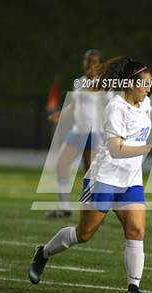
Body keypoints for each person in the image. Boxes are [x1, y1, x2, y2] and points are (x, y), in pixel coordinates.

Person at [28, 57, 152, 293]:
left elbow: (150, 109)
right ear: (130, 84)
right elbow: (116, 150)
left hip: (131, 180)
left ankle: (133, 289)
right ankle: (43, 253)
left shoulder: (143, 101)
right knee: (84, 234)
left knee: (136, 230)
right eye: (145, 83)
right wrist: (151, 147)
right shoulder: (115, 107)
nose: (150, 88)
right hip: (104, 178)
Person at [47, 49, 105, 218]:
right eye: (87, 60)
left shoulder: (103, 83)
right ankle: (64, 207)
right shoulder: (79, 82)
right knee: (61, 164)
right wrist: (60, 114)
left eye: (94, 61)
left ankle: (92, 211)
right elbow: (74, 106)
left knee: (90, 172)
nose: (90, 64)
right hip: (78, 131)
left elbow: (112, 107)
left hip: (94, 133)